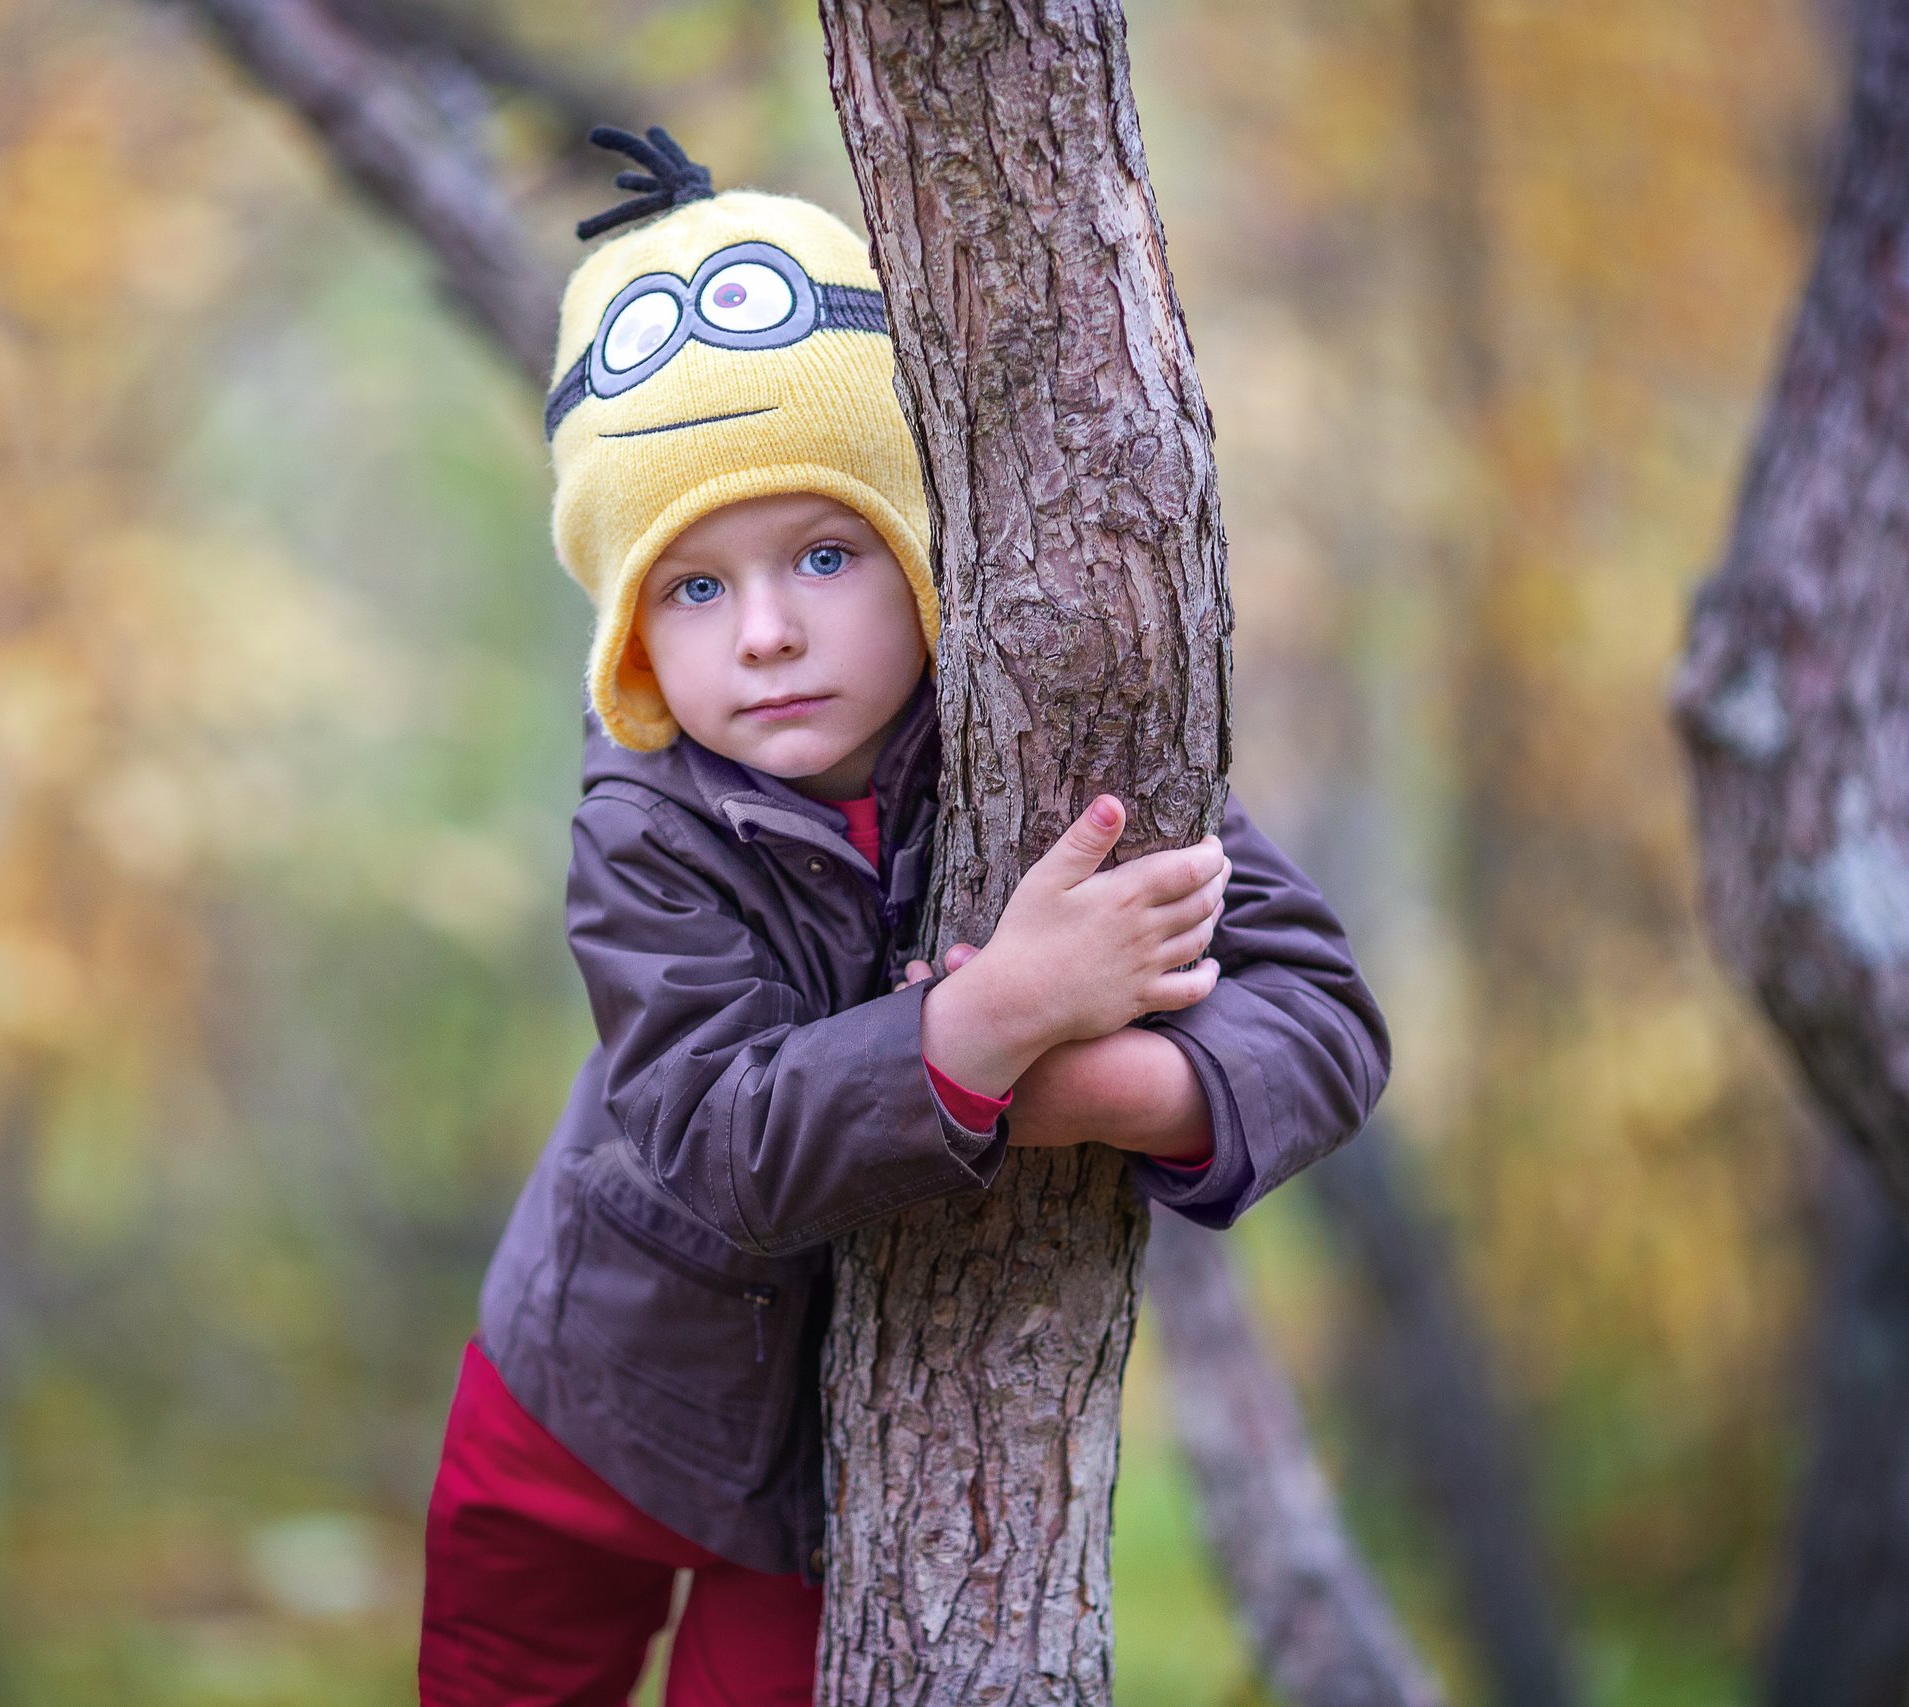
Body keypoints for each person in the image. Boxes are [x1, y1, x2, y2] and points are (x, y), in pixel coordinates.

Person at [418, 127, 1389, 1707]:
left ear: (923, 550)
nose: (768, 634)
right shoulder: (644, 828)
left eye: (824, 553)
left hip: (828, 1477)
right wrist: (990, 1023)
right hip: (591, 1388)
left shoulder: (1050, 752)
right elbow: (717, 1142)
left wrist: (1110, 1087)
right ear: (634, 633)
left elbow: (1323, 1020)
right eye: (694, 587)